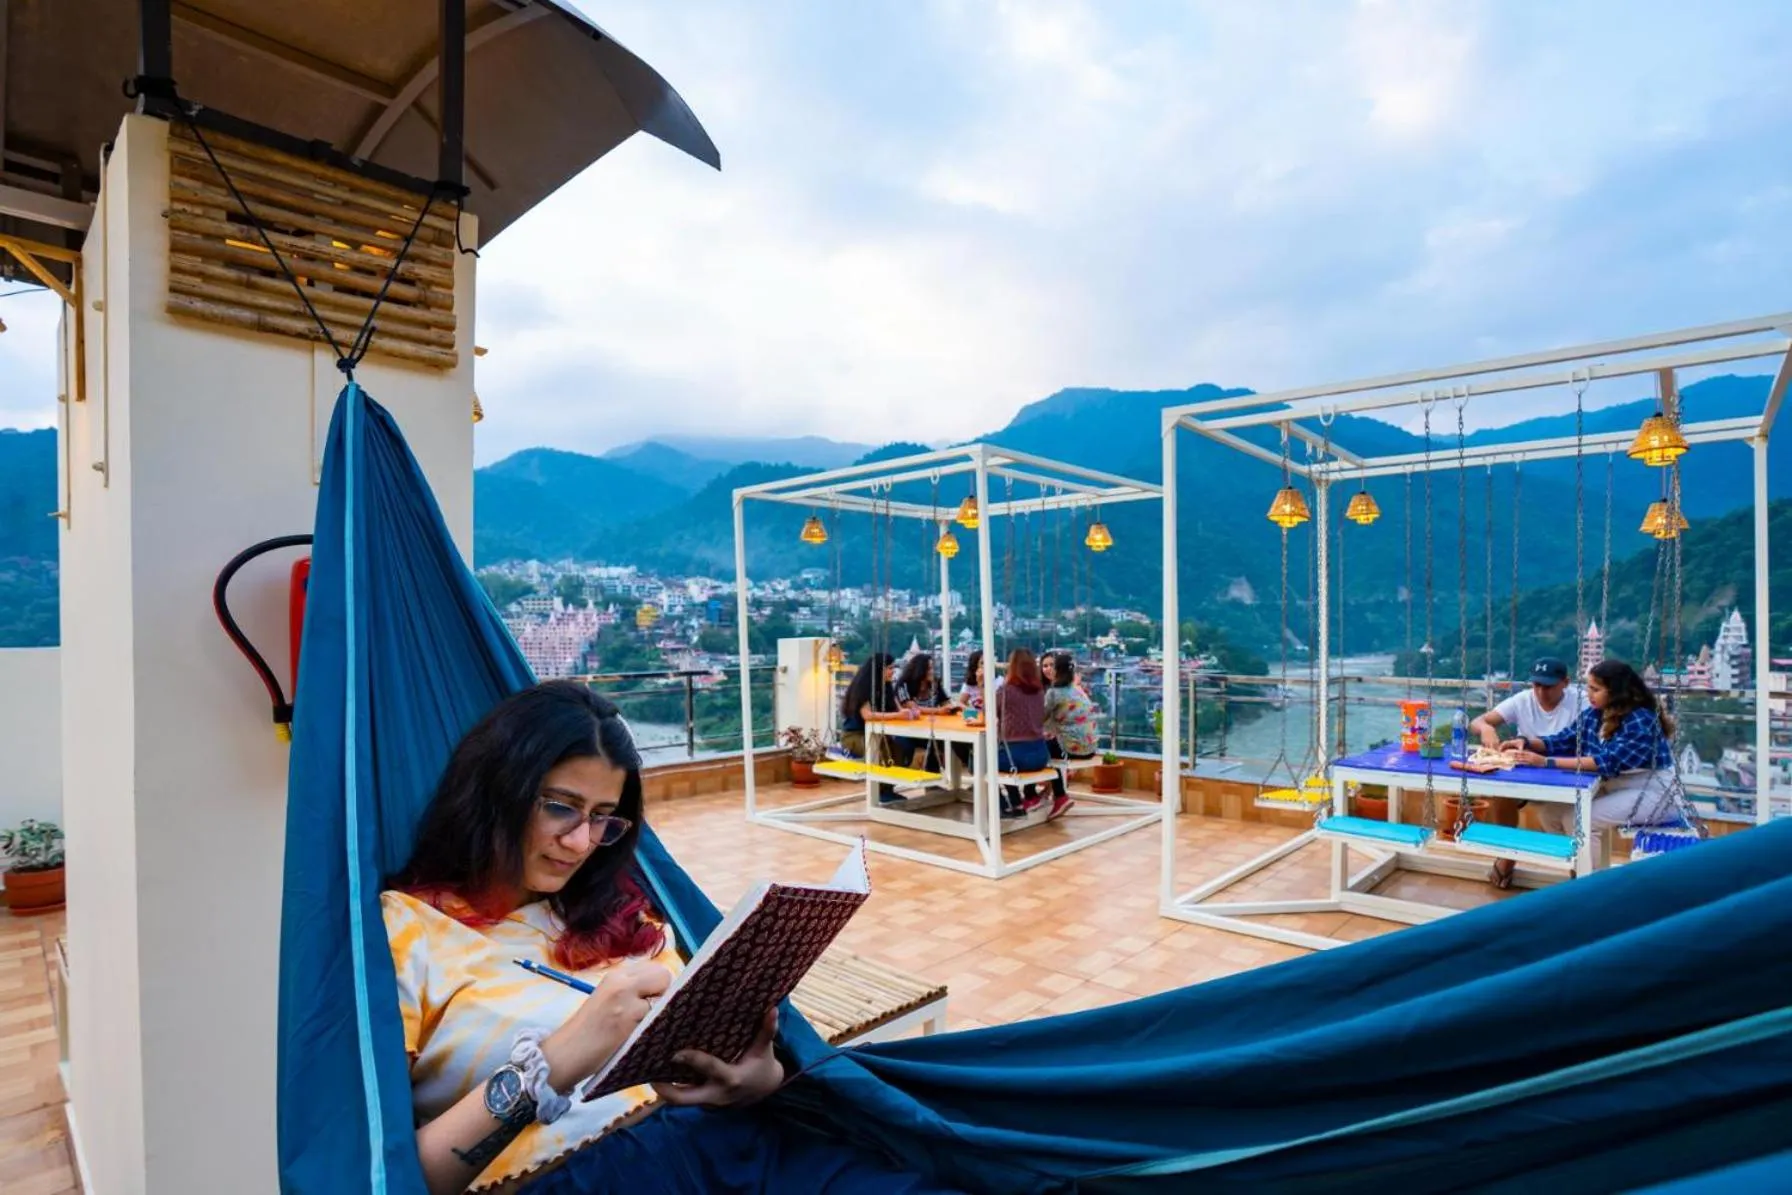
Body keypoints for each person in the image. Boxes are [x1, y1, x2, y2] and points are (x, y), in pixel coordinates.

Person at [383, 682, 946, 1194]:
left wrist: (755, 1078)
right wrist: (555, 1060)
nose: (581, 843)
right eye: (560, 807)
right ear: (495, 789)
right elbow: (396, 1178)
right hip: (582, 1176)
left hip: (736, 1138)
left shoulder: (615, 910)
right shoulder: (408, 933)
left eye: (603, 817)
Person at [1493, 659, 1681, 886]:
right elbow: (1564, 739)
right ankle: (1581, 871)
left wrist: (1547, 762)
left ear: (1616, 691)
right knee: (1549, 814)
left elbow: (1608, 761)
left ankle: (1591, 887)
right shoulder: (1595, 714)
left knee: (1581, 820)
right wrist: (1524, 742)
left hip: (1652, 793)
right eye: (1589, 687)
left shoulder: (1640, 719)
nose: (1588, 694)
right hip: (1616, 787)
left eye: (1595, 689)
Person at [1468, 656, 1586, 829]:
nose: (1541, 693)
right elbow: (1477, 722)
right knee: (1498, 790)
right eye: (1537, 685)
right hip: (1526, 764)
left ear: (1565, 683)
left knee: (1564, 814)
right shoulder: (1522, 700)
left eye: (1548, 687)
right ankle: (1506, 846)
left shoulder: (1582, 702)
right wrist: (1486, 729)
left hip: (1565, 766)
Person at [839, 652, 919, 805]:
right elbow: (867, 715)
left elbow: (897, 710)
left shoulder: (887, 687)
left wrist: (908, 713)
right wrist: (898, 715)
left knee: (904, 746)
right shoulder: (863, 689)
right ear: (878, 670)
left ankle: (888, 788)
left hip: (877, 735)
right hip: (856, 736)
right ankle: (881, 790)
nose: (892, 672)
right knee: (881, 750)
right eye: (889, 668)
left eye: (893, 668)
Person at [1041, 651, 1100, 821]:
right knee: (1050, 742)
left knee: (1037, 748)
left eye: (1052, 666)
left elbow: (1040, 719)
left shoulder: (1054, 693)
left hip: (1073, 748)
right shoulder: (1077, 690)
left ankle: (1059, 797)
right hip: (1090, 747)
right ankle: (1049, 791)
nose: (1049, 670)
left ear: (1057, 671)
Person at [994, 649, 1051, 818]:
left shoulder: (1006, 691)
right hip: (1040, 755)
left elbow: (989, 712)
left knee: (980, 761)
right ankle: (1015, 801)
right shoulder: (1040, 692)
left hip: (1015, 756)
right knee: (1004, 760)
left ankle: (1006, 803)